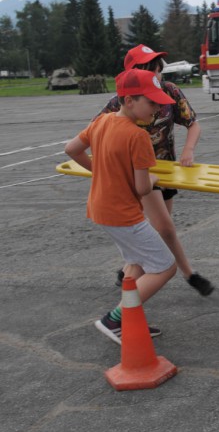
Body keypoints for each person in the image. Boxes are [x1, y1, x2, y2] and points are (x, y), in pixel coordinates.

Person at [65, 69, 178, 345]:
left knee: (137, 263)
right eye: (151, 102)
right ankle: (114, 319)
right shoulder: (139, 137)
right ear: (129, 100)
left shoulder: (101, 122)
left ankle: (128, 319)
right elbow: (142, 188)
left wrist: (100, 171)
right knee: (165, 267)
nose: (157, 107)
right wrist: (153, 178)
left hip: (101, 209)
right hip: (124, 215)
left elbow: (71, 149)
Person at [97, 44, 213, 296]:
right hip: (141, 174)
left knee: (159, 228)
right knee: (164, 228)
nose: (157, 76)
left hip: (166, 170)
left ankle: (129, 270)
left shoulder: (169, 92)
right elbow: (96, 133)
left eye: (158, 70)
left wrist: (188, 150)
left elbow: (193, 124)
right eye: (150, 70)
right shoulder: (120, 102)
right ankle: (189, 273)